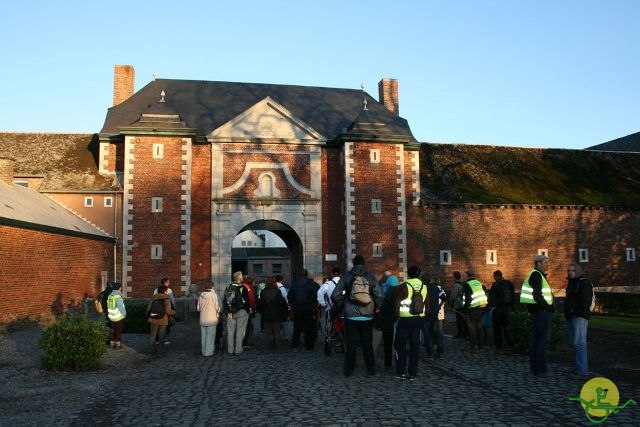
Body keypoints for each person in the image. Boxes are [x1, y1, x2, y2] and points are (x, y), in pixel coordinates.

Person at [332, 255, 382, 376]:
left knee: (351, 343)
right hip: (367, 315)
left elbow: (335, 294)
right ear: (364, 263)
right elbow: (379, 296)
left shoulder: (347, 276)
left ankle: (349, 370)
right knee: (367, 343)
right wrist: (376, 307)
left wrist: (343, 304)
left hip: (350, 315)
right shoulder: (370, 276)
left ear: (353, 263)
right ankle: (370, 369)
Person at [520, 254, 554, 376]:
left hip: (538, 311)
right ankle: (541, 369)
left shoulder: (535, 274)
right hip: (542, 312)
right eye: (545, 262)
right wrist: (548, 307)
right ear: (538, 263)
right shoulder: (536, 275)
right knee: (542, 341)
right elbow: (537, 295)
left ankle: (534, 368)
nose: (547, 264)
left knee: (536, 340)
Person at [394, 265, 427, 380]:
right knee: (415, 346)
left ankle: (401, 371)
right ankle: (413, 373)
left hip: (405, 320)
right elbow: (426, 303)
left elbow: (397, 304)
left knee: (399, 345)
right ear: (419, 274)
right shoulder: (424, 287)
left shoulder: (404, 286)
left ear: (408, 274)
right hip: (418, 319)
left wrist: (396, 316)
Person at [563, 262, 592, 377]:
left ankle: (582, 370)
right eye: (569, 271)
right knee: (575, 343)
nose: (570, 273)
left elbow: (586, 301)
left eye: (573, 270)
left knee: (580, 343)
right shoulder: (571, 283)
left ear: (578, 271)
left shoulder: (583, 282)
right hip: (571, 316)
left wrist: (576, 311)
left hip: (579, 316)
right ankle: (579, 367)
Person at [288, 269, 320, 351]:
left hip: (297, 309)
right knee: (309, 328)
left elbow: (290, 297)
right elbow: (316, 296)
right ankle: (309, 346)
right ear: (307, 275)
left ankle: (295, 345)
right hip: (308, 309)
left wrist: (293, 304)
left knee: (297, 328)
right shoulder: (312, 284)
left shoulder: (294, 284)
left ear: (299, 275)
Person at [257, 276, 289, 351]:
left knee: (267, 333)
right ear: (275, 282)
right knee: (277, 332)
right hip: (277, 315)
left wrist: (262, 312)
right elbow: (282, 304)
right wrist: (283, 313)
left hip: (266, 315)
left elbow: (259, 305)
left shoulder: (263, 291)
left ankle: (267, 347)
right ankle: (278, 347)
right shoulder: (278, 291)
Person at [224, 271, 251, 355]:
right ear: (240, 278)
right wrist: (248, 310)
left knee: (230, 331)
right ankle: (238, 350)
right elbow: (247, 301)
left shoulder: (228, 287)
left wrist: (227, 310)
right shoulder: (243, 287)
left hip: (230, 312)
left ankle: (230, 350)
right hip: (241, 311)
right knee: (240, 331)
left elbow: (225, 299)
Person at [462, 269, 488, 352]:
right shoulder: (479, 283)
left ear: (468, 276)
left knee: (472, 328)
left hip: (472, 309)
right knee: (479, 327)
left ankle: (474, 346)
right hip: (482, 307)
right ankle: (481, 346)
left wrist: (465, 309)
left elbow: (467, 298)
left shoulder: (467, 284)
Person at [489, 270, 515, 349]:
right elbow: (513, 296)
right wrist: (512, 307)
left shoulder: (496, 285)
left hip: (498, 309)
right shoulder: (509, 283)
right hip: (507, 309)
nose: (494, 278)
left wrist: (490, 306)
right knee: (507, 327)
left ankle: (498, 345)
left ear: (496, 276)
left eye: (494, 277)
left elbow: (492, 297)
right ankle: (510, 343)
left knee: (497, 329)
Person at [378, 273, 400, 369]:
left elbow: (383, 310)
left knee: (387, 344)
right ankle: (400, 362)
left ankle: (388, 363)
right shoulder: (402, 292)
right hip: (399, 320)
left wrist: (379, 322)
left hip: (388, 323)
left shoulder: (388, 294)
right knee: (398, 344)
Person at [147, 284, 176, 354]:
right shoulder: (166, 299)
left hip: (153, 318)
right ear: (165, 291)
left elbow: (148, 309)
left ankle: (150, 350)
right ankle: (160, 351)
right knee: (161, 336)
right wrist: (174, 312)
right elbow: (168, 311)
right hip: (163, 320)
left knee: (153, 335)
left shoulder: (153, 298)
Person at [424, 277, 447, 359]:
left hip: (426, 314)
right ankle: (440, 352)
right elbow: (444, 298)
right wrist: (438, 306)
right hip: (436, 313)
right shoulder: (437, 289)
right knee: (438, 333)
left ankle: (430, 354)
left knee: (427, 334)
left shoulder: (423, 288)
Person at [197, 281, 221, 357]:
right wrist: (219, 311)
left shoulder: (201, 295)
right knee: (210, 336)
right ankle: (209, 352)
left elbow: (198, 308)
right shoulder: (214, 295)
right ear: (212, 287)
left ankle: (204, 351)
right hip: (212, 319)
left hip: (203, 319)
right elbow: (217, 307)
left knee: (203, 337)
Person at [317, 267, 340, 339]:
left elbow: (319, 293)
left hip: (330, 308)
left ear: (332, 274)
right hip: (343, 308)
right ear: (340, 274)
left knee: (329, 323)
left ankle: (330, 336)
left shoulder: (328, 284)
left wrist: (323, 304)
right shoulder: (344, 282)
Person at [154, 278, 175, 345]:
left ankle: (157, 340)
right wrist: (174, 309)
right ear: (166, 283)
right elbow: (172, 300)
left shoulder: (156, 290)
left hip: (157, 310)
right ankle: (164, 339)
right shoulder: (169, 290)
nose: (169, 283)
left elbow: (153, 299)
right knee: (167, 325)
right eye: (168, 282)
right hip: (166, 311)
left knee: (157, 326)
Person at [107, 282, 126, 349]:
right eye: (121, 287)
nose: (121, 288)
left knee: (112, 330)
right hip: (118, 316)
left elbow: (108, 306)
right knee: (118, 330)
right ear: (119, 288)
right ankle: (117, 345)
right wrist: (124, 314)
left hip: (111, 316)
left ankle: (111, 343)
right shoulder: (118, 297)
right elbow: (120, 307)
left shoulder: (110, 296)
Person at [449, 271, 468, 339]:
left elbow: (453, 296)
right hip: (465, 303)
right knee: (465, 319)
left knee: (459, 320)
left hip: (459, 305)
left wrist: (450, 303)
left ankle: (460, 333)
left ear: (454, 277)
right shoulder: (465, 283)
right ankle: (466, 333)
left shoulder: (456, 285)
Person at [242, 276, 258, 349]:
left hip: (245, 309)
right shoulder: (248, 288)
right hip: (248, 310)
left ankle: (246, 341)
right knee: (248, 326)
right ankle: (246, 341)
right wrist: (253, 308)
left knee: (248, 326)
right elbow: (252, 300)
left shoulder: (246, 287)